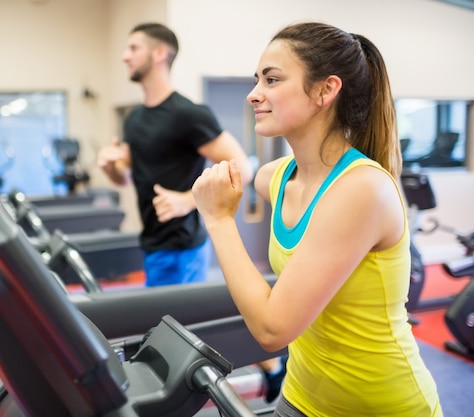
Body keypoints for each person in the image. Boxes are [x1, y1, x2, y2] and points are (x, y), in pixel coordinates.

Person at [192, 21, 443, 417]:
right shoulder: (277, 177)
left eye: (272, 80)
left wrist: (220, 220)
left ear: (326, 90)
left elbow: (273, 330)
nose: (254, 94)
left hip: (382, 405)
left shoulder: (361, 190)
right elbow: (245, 178)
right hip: (301, 398)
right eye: (257, 80)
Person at [97, 22, 287, 403]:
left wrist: (188, 200)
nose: (124, 55)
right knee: (181, 328)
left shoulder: (188, 113)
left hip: (182, 244)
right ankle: (271, 366)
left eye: (133, 47)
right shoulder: (134, 119)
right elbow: (128, 178)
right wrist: (112, 167)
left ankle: (253, 372)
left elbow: (241, 166)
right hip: (152, 241)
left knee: (168, 336)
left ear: (159, 53)